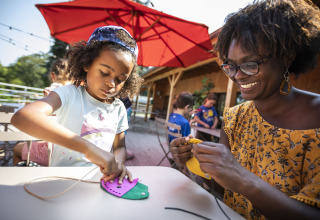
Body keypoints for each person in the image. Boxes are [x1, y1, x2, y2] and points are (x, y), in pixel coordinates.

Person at [169, 0, 320, 219]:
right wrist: (197, 162)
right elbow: (223, 190)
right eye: (231, 65)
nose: (237, 75)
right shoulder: (234, 118)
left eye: (251, 64)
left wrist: (243, 179)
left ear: (287, 56)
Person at [11, 25, 143, 184]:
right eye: (104, 72)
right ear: (86, 64)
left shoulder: (119, 108)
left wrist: (118, 162)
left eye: (120, 79)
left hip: (98, 182)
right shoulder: (68, 94)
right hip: (59, 183)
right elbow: (23, 117)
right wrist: (89, 149)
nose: (111, 83)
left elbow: (120, 147)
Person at [13, 58, 72, 166]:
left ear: (53, 75)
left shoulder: (53, 91)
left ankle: (23, 179)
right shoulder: (77, 91)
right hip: (75, 150)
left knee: (17, 149)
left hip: (54, 153)